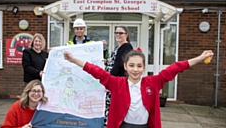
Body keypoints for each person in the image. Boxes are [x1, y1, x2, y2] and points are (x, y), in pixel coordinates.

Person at [64, 49, 214, 128]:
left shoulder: (153, 82)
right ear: (125, 67)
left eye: (139, 66)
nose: (135, 69)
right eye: (131, 65)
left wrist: (200, 58)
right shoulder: (117, 84)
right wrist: (74, 59)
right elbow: (96, 71)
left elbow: (175, 68)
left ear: (144, 68)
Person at [104, 26, 133, 125]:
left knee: (115, 107)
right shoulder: (118, 47)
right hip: (114, 81)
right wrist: (105, 61)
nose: (118, 35)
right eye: (116, 32)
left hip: (117, 82)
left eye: (121, 33)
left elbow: (118, 65)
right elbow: (113, 62)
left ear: (126, 35)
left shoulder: (126, 47)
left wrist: (108, 82)